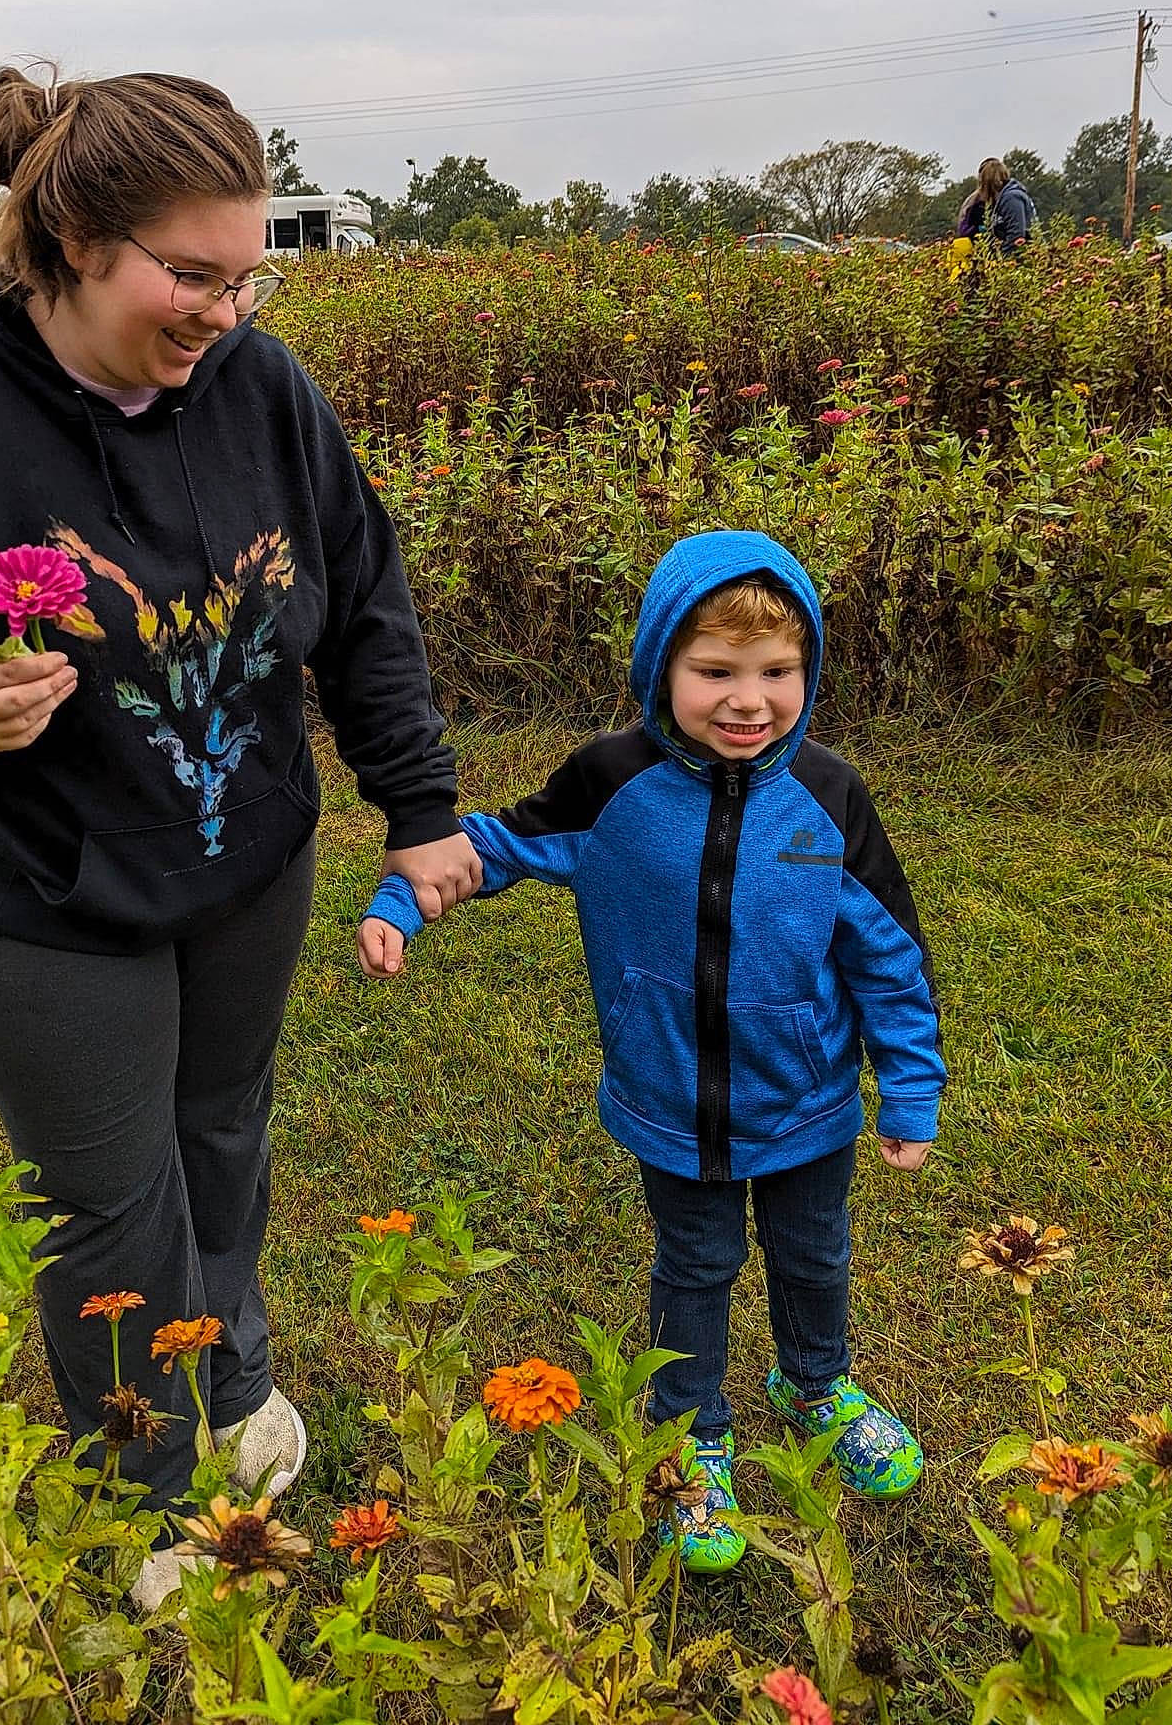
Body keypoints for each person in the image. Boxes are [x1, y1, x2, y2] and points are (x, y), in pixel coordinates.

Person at [0, 65, 481, 1610]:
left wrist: (416, 808)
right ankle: (139, 1485)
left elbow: (361, 597)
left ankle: (239, 1385)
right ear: (73, 239)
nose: (225, 310)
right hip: (30, 893)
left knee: (224, 1133)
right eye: (190, 275)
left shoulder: (264, 389)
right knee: (108, 1197)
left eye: (247, 273)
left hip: (244, 857)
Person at [359, 530, 945, 1575]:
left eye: (776, 672)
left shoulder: (829, 793)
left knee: (815, 1252)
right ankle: (692, 1434)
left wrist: (909, 1086)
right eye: (715, 670)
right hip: (669, 1100)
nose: (748, 699)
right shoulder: (610, 782)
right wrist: (406, 893)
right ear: (659, 665)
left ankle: (816, 1381)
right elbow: (492, 845)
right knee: (697, 1263)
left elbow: (891, 955)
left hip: (808, 1102)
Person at [978, 157, 1037, 255]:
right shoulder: (1000, 200)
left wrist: (1001, 258)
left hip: (1021, 257)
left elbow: (1016, 234)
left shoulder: (1011, 198)